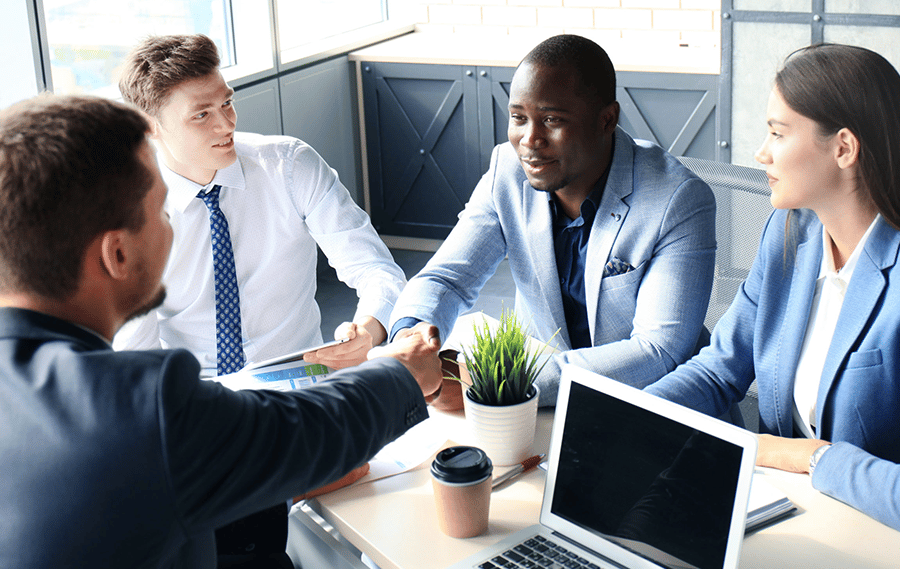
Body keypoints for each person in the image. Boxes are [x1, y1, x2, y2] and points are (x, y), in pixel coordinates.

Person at [0, 94, 441, 568]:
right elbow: (300, 432)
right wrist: (401, 374)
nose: (172, 227)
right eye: (162, 212)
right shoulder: (141, 404)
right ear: (118, 254)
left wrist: (276, 482)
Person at [644, 43, 900, 555]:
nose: (761, 152)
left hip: (896, 548)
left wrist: (806, 457)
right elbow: (719, 370)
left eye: (778, 133)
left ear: (844, 148)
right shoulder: (789, 235)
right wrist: (629, 416)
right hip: (795, 525)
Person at [357, 34, 716, 408]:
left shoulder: (678, 200)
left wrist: (493, 385)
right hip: (548, 409)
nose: (530, 140)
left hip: (654, 408)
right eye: (518, 118)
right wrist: (412, 343)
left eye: (551, 120)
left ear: (606, 119)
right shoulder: (507, 173)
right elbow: (445, 279)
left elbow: (656, 351)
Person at [114, 34, 405, 375]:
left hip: (302, 381)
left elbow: (377, 271)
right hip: (196, 395)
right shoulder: (130, 213)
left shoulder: (290, 168)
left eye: (226, 103)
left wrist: (368, 333)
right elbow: (136, 354)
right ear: (150, 127)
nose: (227, 124)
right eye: (201, 115)